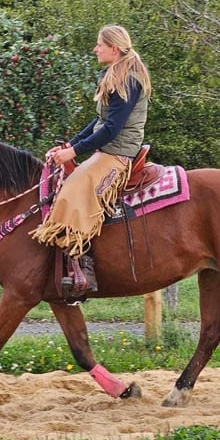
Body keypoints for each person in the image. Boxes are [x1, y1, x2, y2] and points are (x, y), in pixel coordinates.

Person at [30, 24, 152, 302]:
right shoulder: (115, 76)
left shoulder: (129, 80)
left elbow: (110, 129)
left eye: (100, 44)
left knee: (75, 191)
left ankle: (83, 270)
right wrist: (70, 146)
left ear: (114, 48)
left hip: (119, 152)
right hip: (108, 148)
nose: (95, 49)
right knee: (66, 184)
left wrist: (73, 154)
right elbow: (97, 123)